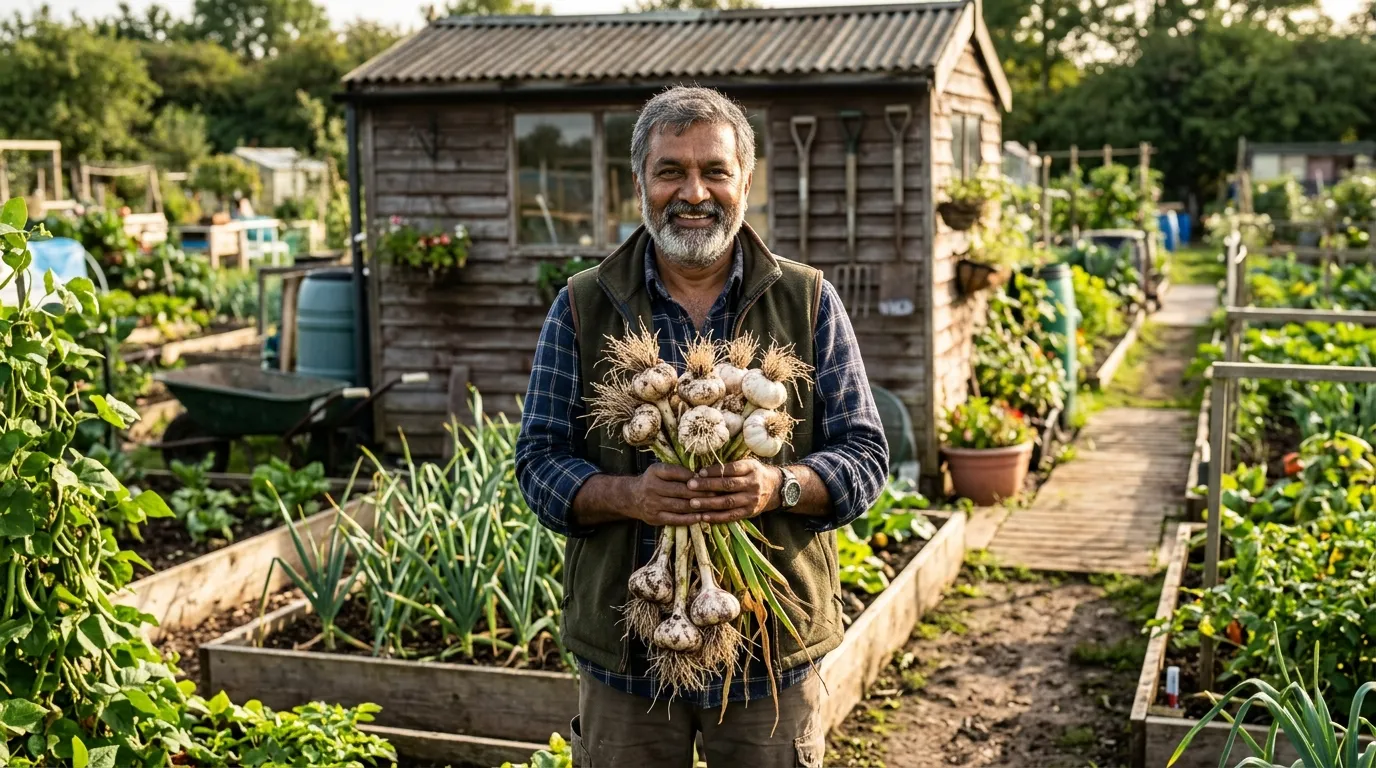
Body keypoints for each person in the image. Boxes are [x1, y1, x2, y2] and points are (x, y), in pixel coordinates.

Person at [515, 86, 889, 768]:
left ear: (746, 180)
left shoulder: (809, 301)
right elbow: (537, 464)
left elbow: (866, 456)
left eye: (714, 170)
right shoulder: (581, 306)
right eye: (671, 171)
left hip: (772, 653)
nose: (694, 192)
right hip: (625, 655)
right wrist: (628, 496)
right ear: (640, 185)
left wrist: (780, 486)